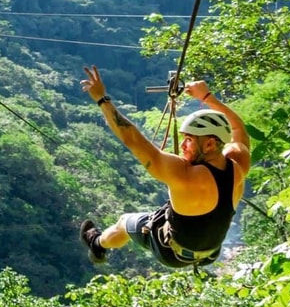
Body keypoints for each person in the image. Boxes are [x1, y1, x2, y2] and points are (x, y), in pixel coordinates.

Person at [77, 65, 251, 268]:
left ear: (210, 144)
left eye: (189, 140)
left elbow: (132, 139)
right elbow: (238, 128)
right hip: (210, 253)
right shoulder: (237, 164)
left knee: (125, 221)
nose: (184, 145)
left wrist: (101, 99)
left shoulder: (183, 173)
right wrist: (208, 97)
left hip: (171, 253)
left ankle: (97, 245)